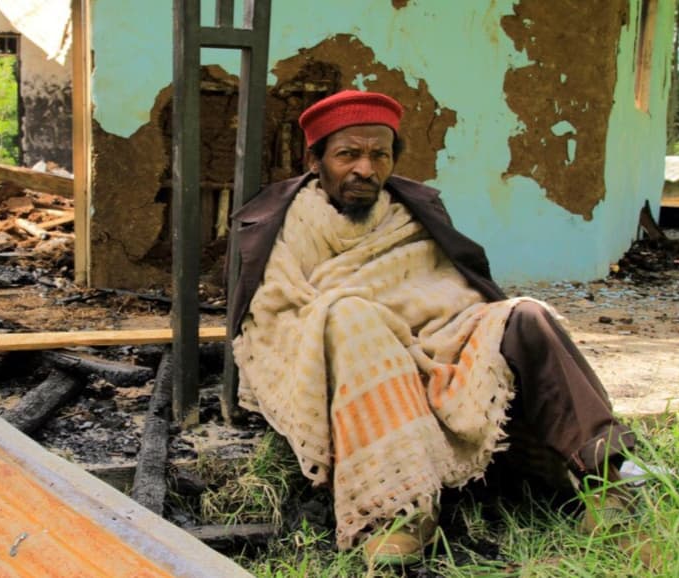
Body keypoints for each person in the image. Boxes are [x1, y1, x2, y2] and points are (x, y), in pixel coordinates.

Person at [228, 91, 636, 564]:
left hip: (443, 336)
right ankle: (399, 511)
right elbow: (277, 316)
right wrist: (362, 319)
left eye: (379, 155)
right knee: (347, 314)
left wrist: (434, 338)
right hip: (358, 350)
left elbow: (455, 291)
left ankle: (605, 479)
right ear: (314, 160)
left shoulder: (414, 214)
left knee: (528, 315)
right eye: (348, 155)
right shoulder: (283, 224)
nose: (365, 169)